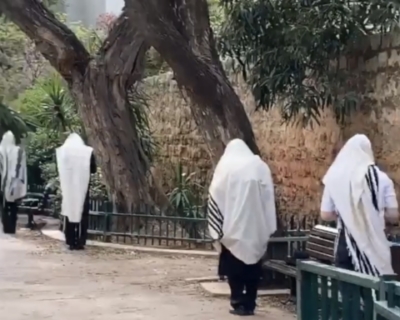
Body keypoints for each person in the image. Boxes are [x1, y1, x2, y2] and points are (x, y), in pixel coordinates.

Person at [208, 139, 277, 316]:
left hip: (232, 230)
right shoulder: (260, 166)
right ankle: (250, 302)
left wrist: (218, 228)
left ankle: (238, 301)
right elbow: (269, 197)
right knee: (253, 269)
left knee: (234, 269)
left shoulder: (226, 167)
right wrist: (267, 225)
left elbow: (215, 194)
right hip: (255, 229)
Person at [320, 134, 398, 276]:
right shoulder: (382, 178)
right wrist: (376, 213)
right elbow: (393, 215)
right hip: (376, 241)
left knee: (348, 291)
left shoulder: (334, 177)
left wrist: (346, 212)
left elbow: (325, 214)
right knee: (375, 286)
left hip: (346, 242)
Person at [56, 133, 97, 250]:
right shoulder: (87, 152)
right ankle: (80, 241)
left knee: (70, 212)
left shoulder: (63, 152)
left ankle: (70, 240)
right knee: (82, 214)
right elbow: (93, 169)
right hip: (83, 187)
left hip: (69, 188)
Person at [0, 131, 27, 234]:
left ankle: (6, 226)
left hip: (2, 184)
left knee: (4, 206)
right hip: (15, 184)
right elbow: (22, 168)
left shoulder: (1, 150)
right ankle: (11, 227)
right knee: (14, 206)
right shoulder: (19, 151)